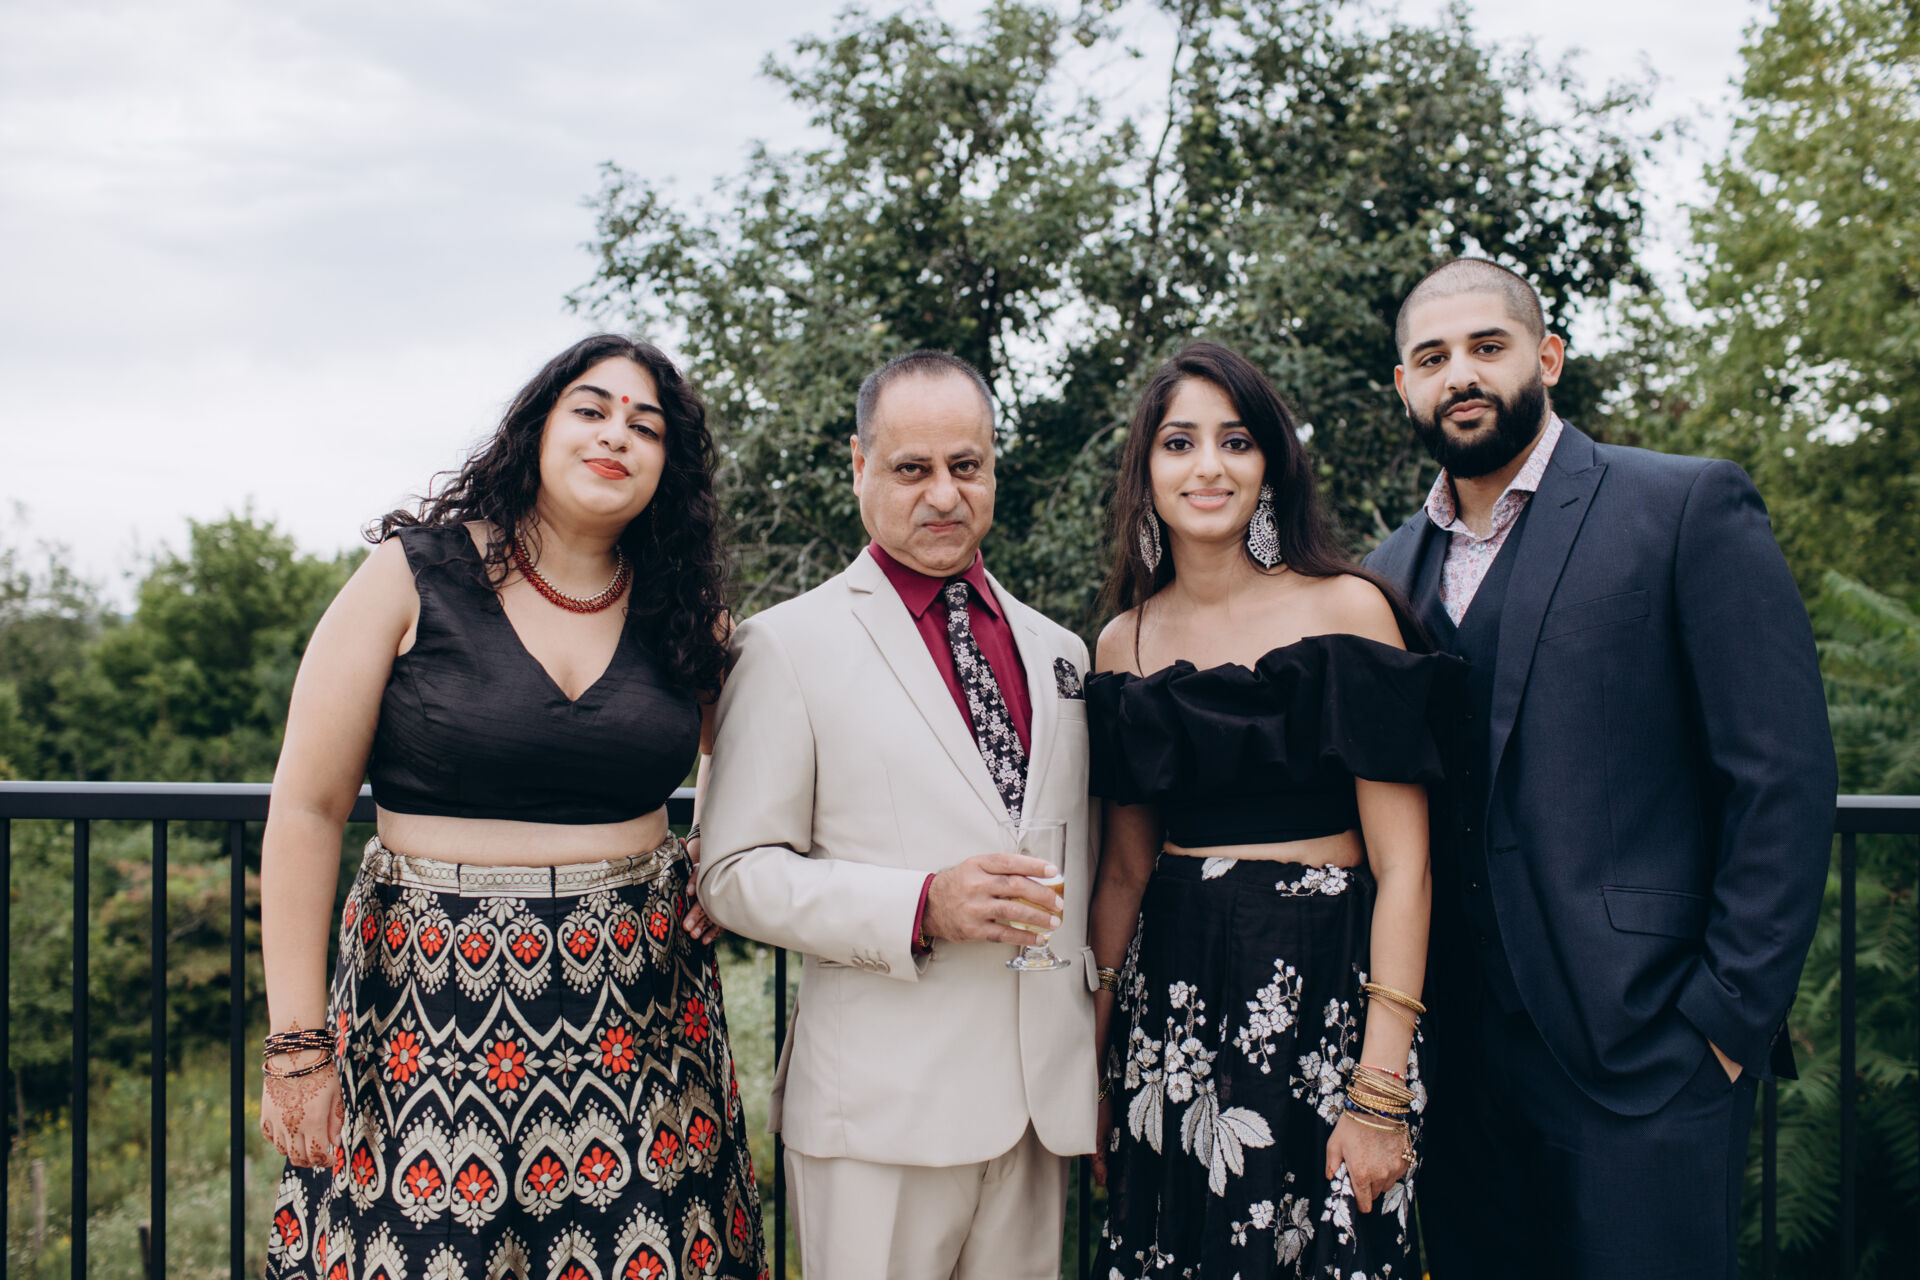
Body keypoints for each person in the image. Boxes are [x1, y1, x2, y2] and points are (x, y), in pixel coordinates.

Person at [1364, 258, 1836, 1278]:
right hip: (1459, 1075)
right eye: (1432, 358)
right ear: (1404, 386)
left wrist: (1723, 1026)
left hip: (1651, 1058)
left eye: (1487, 346)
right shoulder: (1382, 576)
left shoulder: (1684, 505)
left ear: (1548, 358)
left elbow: (1782, 778)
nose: (1460, 374)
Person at [256, 334, 765, 1280]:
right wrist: (296, 1046)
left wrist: (722, 849)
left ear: (669, 467)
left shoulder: (684, 613)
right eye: (591, 409)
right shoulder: (411, 574)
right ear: (537, 428)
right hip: (426, 1021)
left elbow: (768, 760)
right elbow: (308, 809)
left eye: (647, 427)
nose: (616, 435)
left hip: (641, 1025)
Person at [697, 349, 1098, 1279]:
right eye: (913, 468)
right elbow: (733, 873)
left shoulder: (1063, 652)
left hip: (1039, 1116)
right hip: (877, 1120)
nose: (944, 495)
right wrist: (921, 905)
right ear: (860, 466)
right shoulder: (784, 646)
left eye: (967, 465)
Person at [1085, 342, 1459, 1278]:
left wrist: (1380, 1087)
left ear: (1270, 466)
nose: (1208, 467)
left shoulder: (1350, 611)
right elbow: (1123, 872)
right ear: (1145, 472)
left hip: (1320, 1000)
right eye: (1179, 443)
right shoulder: (1122, 642)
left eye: (1236, 441)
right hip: (1170, 1014)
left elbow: (1406, 869)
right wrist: (1086, 1068)